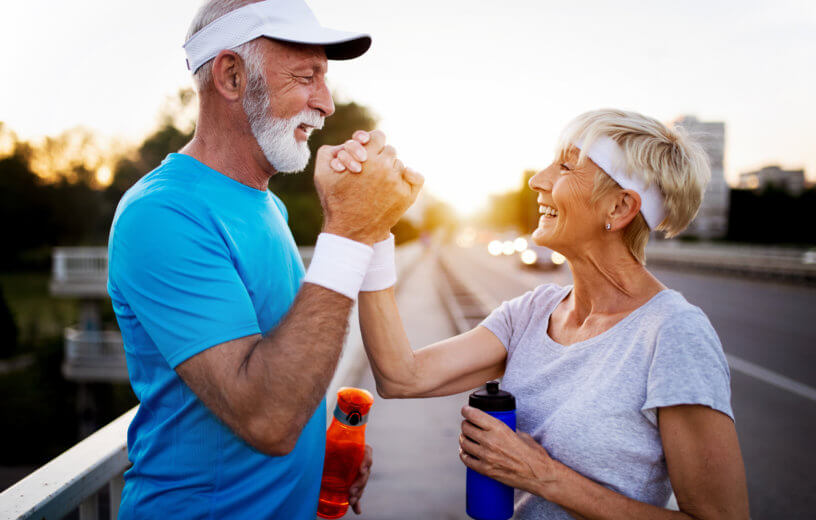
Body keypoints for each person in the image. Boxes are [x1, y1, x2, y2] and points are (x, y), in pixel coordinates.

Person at [331, 109, 750, 518]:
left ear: (619, 208)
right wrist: (374, 228)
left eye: (566, 167)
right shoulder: (532, 312)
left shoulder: (674, 333)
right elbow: (401, 376)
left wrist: (544, 477)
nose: (537, 180)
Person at [107, 0, 422, 518]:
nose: (326, 103)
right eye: (307, 76)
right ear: (231, 76)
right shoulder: (162, 214)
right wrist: (349, 229)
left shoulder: (267, 204)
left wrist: (316, 452)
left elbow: (278, 361)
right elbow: (268, 421)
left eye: (325, 78)